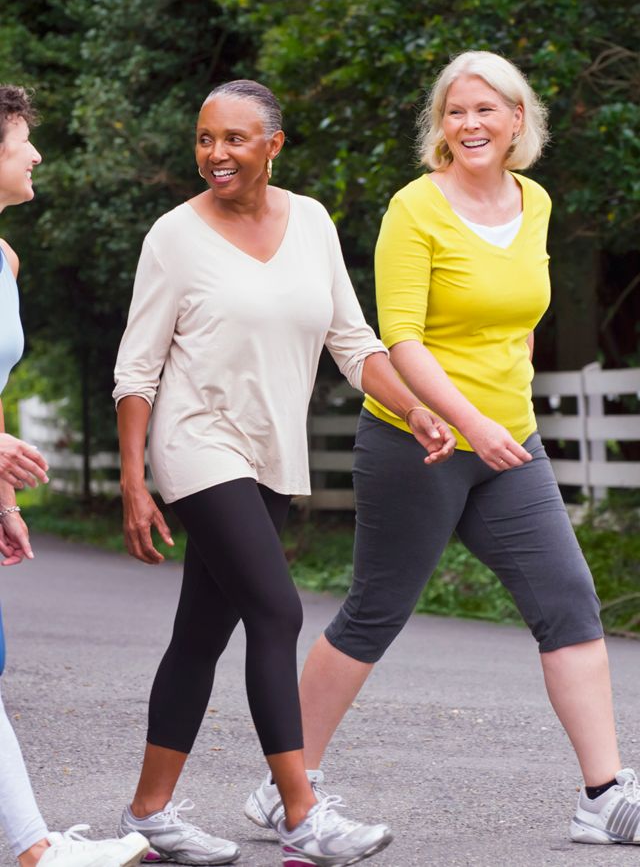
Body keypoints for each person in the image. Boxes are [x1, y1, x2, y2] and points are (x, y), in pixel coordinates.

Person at [246, 51, 640, 848]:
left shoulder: (535, 203)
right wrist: (471, 422)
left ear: (518, 120)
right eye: (455, 112)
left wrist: (508, 405)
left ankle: (604, 795)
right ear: (440, 125)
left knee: (568, 600)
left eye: (486, 110)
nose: (470, 125)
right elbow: (404, 341)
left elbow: (519, 313)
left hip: (508, 444)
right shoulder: (413, 210)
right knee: (375, 611)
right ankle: (286, 786)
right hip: (416, 443)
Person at [112, 78, 455, 867]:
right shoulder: (174, 235)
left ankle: (148, 812)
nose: (215, 154)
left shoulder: (312, 222)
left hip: (270, 451)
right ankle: (301, 813)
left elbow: (354, 341)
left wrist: (416, 408)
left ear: (274, 144)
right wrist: (136, 479)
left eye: (234, 138)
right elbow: (138, 369)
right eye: (204, 138)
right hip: (197, 443)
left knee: (200, 633)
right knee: (276, 612)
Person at [0, 84, 150, 867]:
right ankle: (35, 850)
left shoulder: (5, 259)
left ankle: (33, 847)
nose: (36, 154)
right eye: (22, 139)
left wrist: (3, 496)